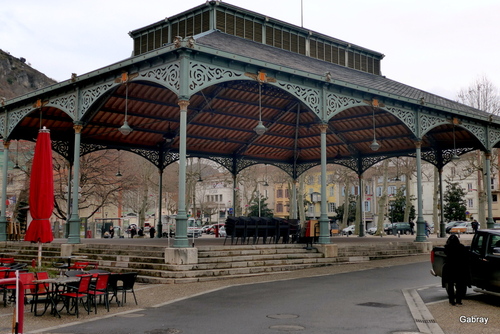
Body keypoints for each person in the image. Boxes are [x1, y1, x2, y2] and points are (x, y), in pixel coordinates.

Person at [443, 234, 469, 305]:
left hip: (450, 268)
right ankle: (459, 300)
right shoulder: (461, 247)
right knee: (459, 285)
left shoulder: (447, 248)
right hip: (459, 268)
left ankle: (451, 300)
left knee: (450, 285)